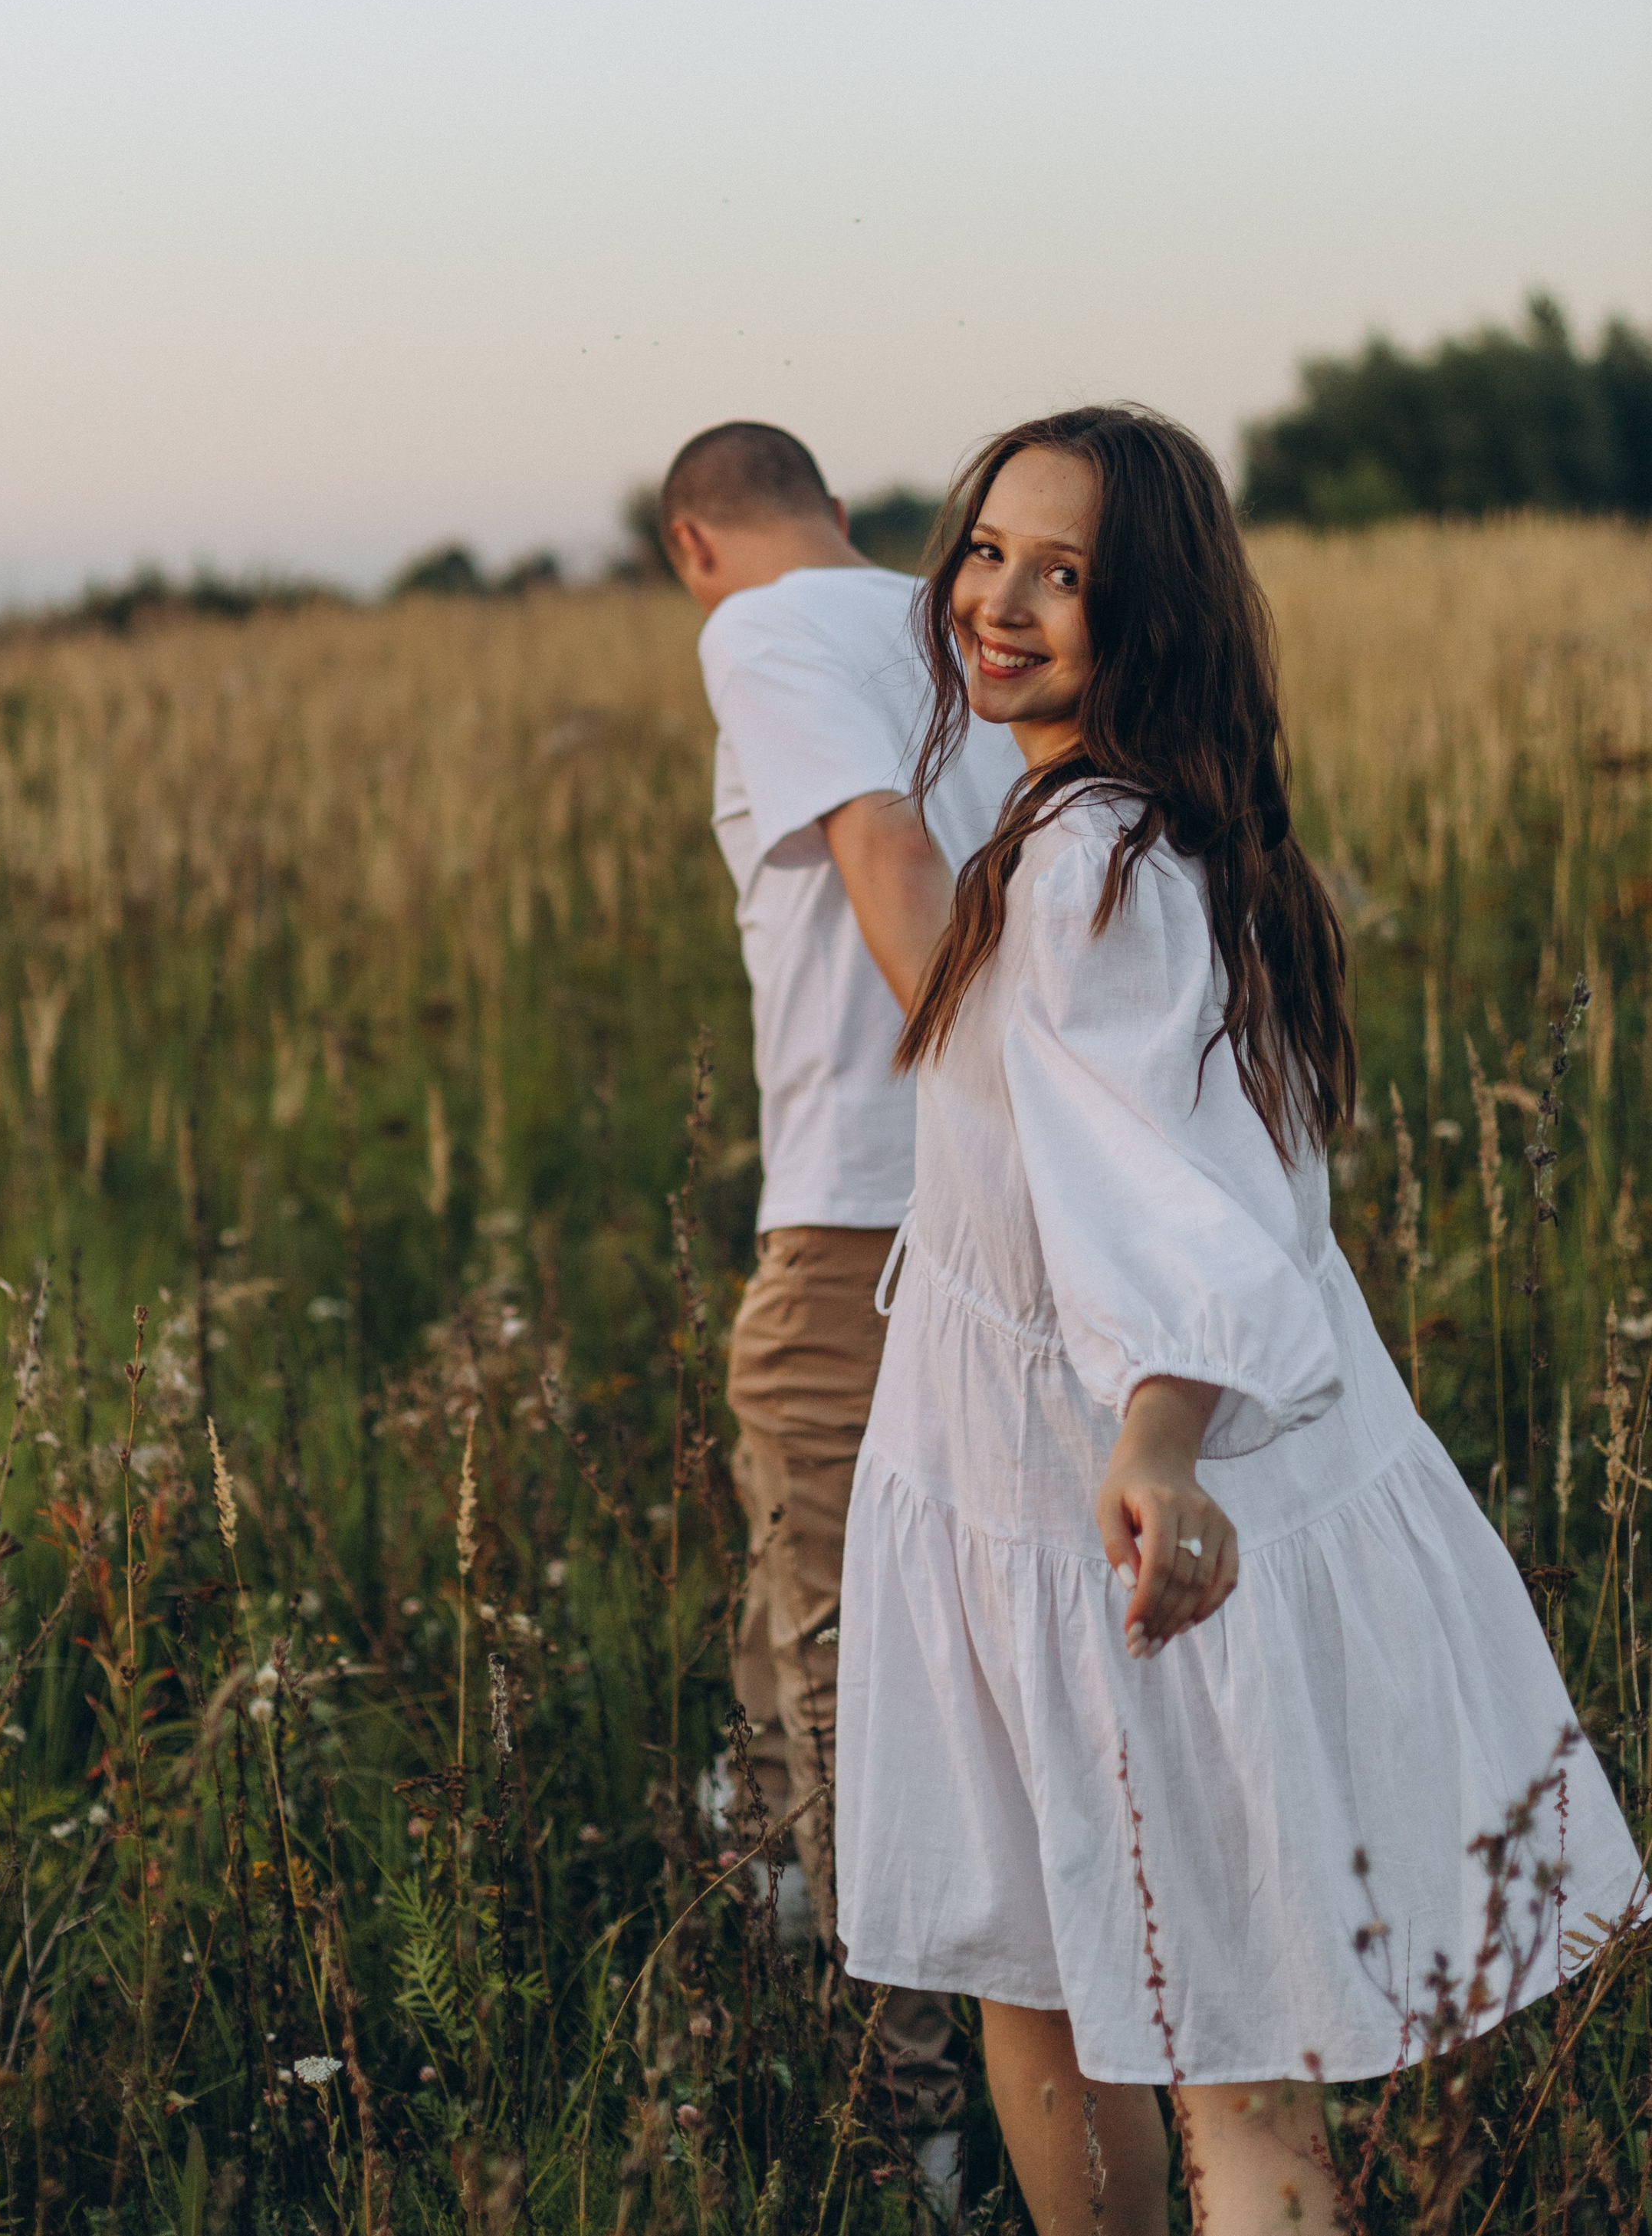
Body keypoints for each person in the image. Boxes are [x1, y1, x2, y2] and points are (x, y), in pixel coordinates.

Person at [833, 405, 1646, 2235]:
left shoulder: (1088, 868)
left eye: (1071, 577)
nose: (1005, 602)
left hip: (1091, 1514)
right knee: (1055, 1993)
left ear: (1155, 620)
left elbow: (1169, 1199)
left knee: (1205, 2043)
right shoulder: (1109, 833)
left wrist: (1154, 1438)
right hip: (1013, 1497)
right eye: (988, 552)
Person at [659, 420, 1020, 2191]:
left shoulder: (764, 627)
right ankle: (768, 1928)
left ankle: (911, 2122)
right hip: (988, 1227)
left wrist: (975, 1084)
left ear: (690, 545)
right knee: (805, 1602)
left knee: (846, 1669)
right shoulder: (949, 625)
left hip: (863, 1225)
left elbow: (881, 851)